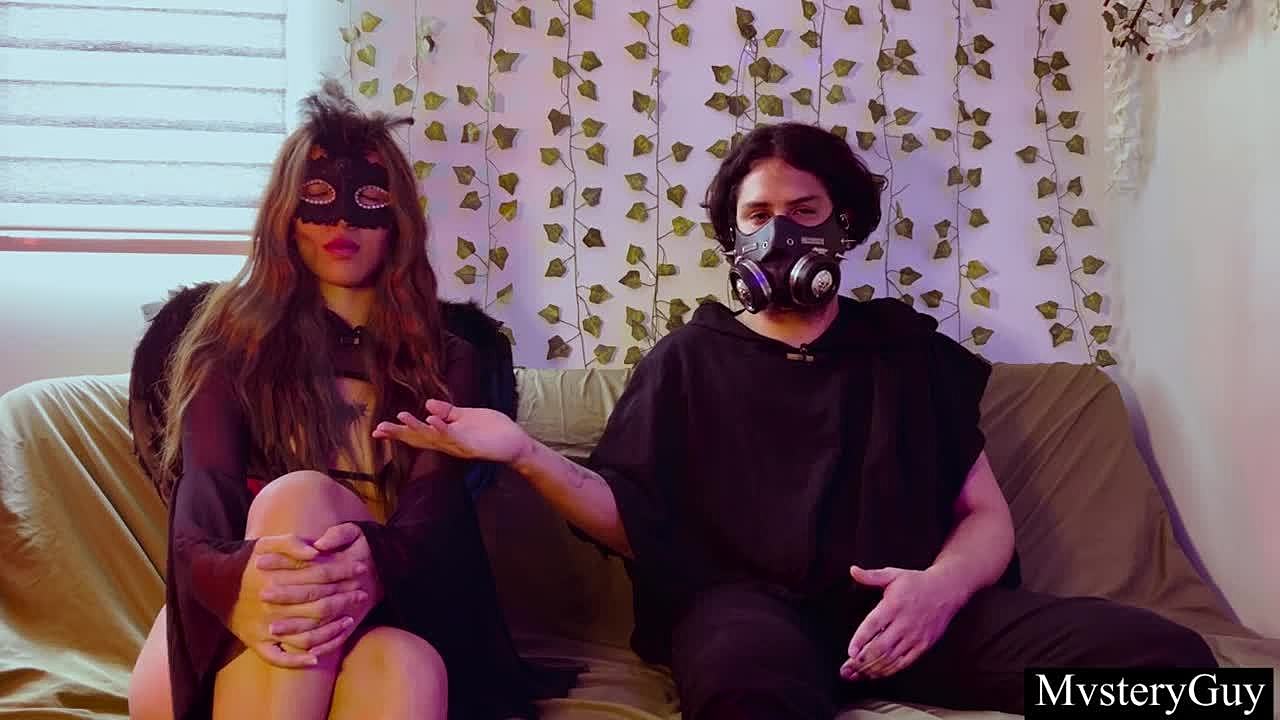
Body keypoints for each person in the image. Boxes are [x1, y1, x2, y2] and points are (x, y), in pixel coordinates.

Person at [372, 121, 1217, 719]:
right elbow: (630, 519)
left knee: (1175, 667)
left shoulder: (907, 352)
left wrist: (938, 591)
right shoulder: (688, 360)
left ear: (843, 226)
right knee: (748, 695)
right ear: (732, 237)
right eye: (757, 215)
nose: (780, 231)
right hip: (746, 615)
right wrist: (523, 450)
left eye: (805, 211)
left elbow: (983, 515)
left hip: (914, 615)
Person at [126, 81, 577, 720]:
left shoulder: (449, 356)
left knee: (406, 668)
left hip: (391, 600)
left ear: (398, 221)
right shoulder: (226, 343)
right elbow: (201, 507)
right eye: (318, 198)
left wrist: (372, 561)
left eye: (367, 200)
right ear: (285, 213)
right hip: (245, 611)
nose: (341, 223)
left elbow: (432, 521)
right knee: (297, 499)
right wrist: (241, 587)